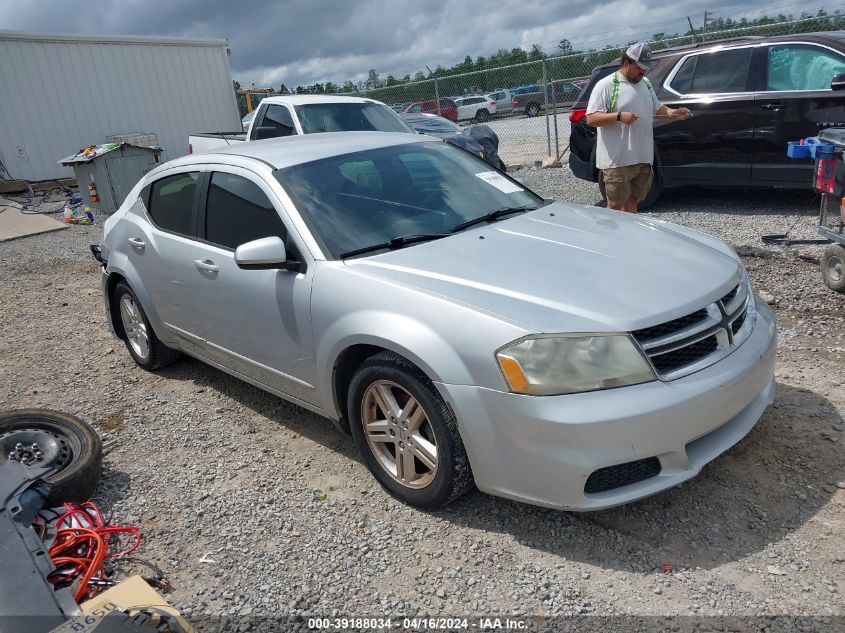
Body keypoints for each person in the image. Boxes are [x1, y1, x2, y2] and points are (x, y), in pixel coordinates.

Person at [586, 43, 691, 213]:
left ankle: (630, 238)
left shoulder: (646, 83)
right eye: (640, 67)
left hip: (643, 157)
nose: (644, 72)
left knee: (633, 202)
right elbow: (591, 119)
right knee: (615, 206)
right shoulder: (606, 85)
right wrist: (619, 116)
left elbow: (657, 109)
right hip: (617, 161)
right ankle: (610, 239)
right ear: (627, 62)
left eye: (646, 68)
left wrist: (674, 113)